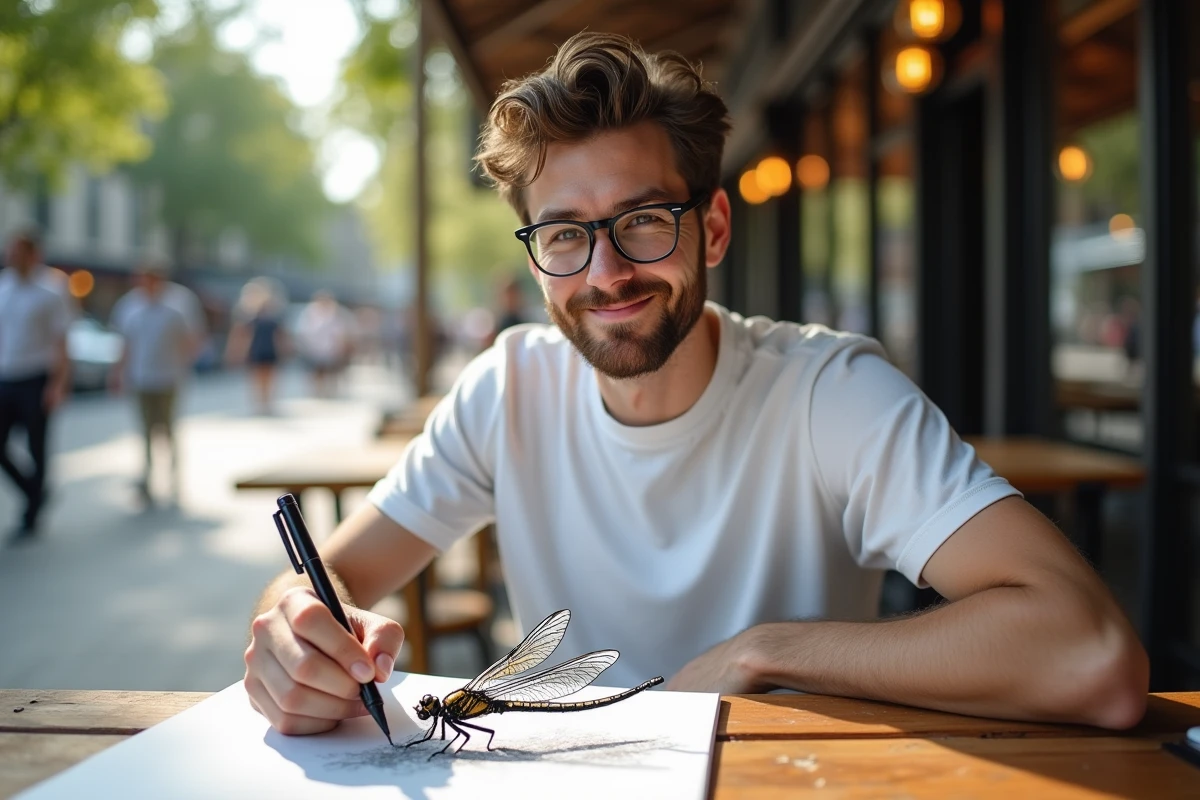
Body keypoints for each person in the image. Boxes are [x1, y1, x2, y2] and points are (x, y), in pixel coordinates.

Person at [243, 32, 1148, 737]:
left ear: (712, 229)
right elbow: (328, 579)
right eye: (564, 235)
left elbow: (1093, 655)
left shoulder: (828, 393)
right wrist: (293, 633)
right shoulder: (506, 390)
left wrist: (763, 653)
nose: (606, 272)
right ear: (536, 255)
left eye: (643, 220)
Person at [109, 259, 206, 506]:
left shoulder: (175, 309)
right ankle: (147, 480)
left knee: (169, 430)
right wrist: (118, 373)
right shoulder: (129, 307)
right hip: (140, 379)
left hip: (168, 379)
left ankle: (173, 478)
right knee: (145, 432)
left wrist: (182, 367)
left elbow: (190, 342)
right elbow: (124, 345)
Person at [0, 226, 72, 542]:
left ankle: (32, 513)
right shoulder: (3, 287)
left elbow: (62, 341)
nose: (10, 256)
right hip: (7, 376)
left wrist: (58, 384)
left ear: (32, 254)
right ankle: (36, 491)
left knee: (36, 446)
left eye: (16, 251)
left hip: (37, 377)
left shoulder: (52, 289)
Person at [225, 278, 288, 414]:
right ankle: (260, 402)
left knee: (269, 377)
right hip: (256, 350)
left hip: (269, 349)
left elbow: (280, 335)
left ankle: (267, 402)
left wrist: (284, 349)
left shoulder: (273, 317)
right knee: (256, 377)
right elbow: (241, 336)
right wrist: (236, 352)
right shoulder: (248, 318)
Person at [294, 290, 355, 398]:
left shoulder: (337, 314)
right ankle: (318, 391)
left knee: (331, 371)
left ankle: (329, 391)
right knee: (316, 371)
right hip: (314, 349)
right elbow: (303, 332)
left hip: (332, 350)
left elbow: (342, 332)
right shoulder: (309, 314)